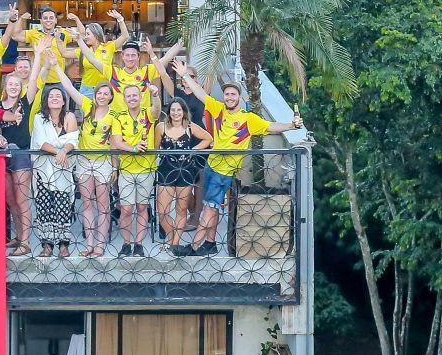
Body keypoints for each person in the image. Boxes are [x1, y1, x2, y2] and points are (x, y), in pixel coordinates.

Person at [174, 68, 302, 255]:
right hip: (211, 165)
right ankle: (210, 244)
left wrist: (291, 126)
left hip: (224, 172)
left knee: (209, 209)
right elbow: (200, 93)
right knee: (213, 207)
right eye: (227, 94)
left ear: (239, 97)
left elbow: (271, 127)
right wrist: (185, 75)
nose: (229, 97)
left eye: (233, 94)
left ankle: (193, 247)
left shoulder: (248, 119)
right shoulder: (218, 109)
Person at [53, 63, 116, 257]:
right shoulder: (88, 106)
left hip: (103, 163)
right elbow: (70, 88)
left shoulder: (115, 116)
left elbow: (114, 144)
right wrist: (56, 66)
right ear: (95, 95)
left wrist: (115, 168)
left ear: (111, 97)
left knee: (103, 206)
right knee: (87, 204)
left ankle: (100, 245)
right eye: (100, 93)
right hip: (84, 162)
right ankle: (89, 244)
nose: (102, 96)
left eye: (106, 93)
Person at [107, 81, 160, 257]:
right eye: (128, 96)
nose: (132, 98)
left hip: (147, 168)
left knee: (142, 207)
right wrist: (134, 148)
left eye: (134, 95)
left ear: (140, 97)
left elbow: (157, 111)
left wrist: (155, 96)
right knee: (127, 208)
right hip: (127, 169)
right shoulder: (119, 117)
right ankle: (126, 243)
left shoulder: (147, 113)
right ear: (124, 98)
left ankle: (138, 244)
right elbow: (116, 142)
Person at [153, 96, 211, 255]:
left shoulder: (190, 127)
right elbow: (155, 148)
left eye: (179, 110)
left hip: (185, 172)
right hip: (166, 171)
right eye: (173, 110)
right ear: (169, 112)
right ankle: (171, 237)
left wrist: (194, 150)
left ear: (184, 112)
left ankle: (175, 244)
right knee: (163, 212)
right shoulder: (161, 127)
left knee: (181, 209)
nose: (176, 112)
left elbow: (208, 139)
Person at [29, 81, 80, 258]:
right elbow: (41, 142)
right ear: (46, 100)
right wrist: (60, 150)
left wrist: (64, 150)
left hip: (63, 170)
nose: (55, 98)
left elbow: (73, 140)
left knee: (63, 207)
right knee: (44, 207)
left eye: (58, 96)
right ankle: (47, 245)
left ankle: (63, 244)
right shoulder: (39, 118)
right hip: (43, 170)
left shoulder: (70, 117)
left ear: (64, 101)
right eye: (51, 96)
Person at [0, 71, 33, 253]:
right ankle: (18, 237)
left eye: (17, 84)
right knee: (10, 200)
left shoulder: (24, 103)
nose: (14, 87)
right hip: (3, 155)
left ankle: (25, 242)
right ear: (5, 87)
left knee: (21, 199)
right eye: (11, 84)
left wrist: (39, 55)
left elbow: (33, 80)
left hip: (22, 154)